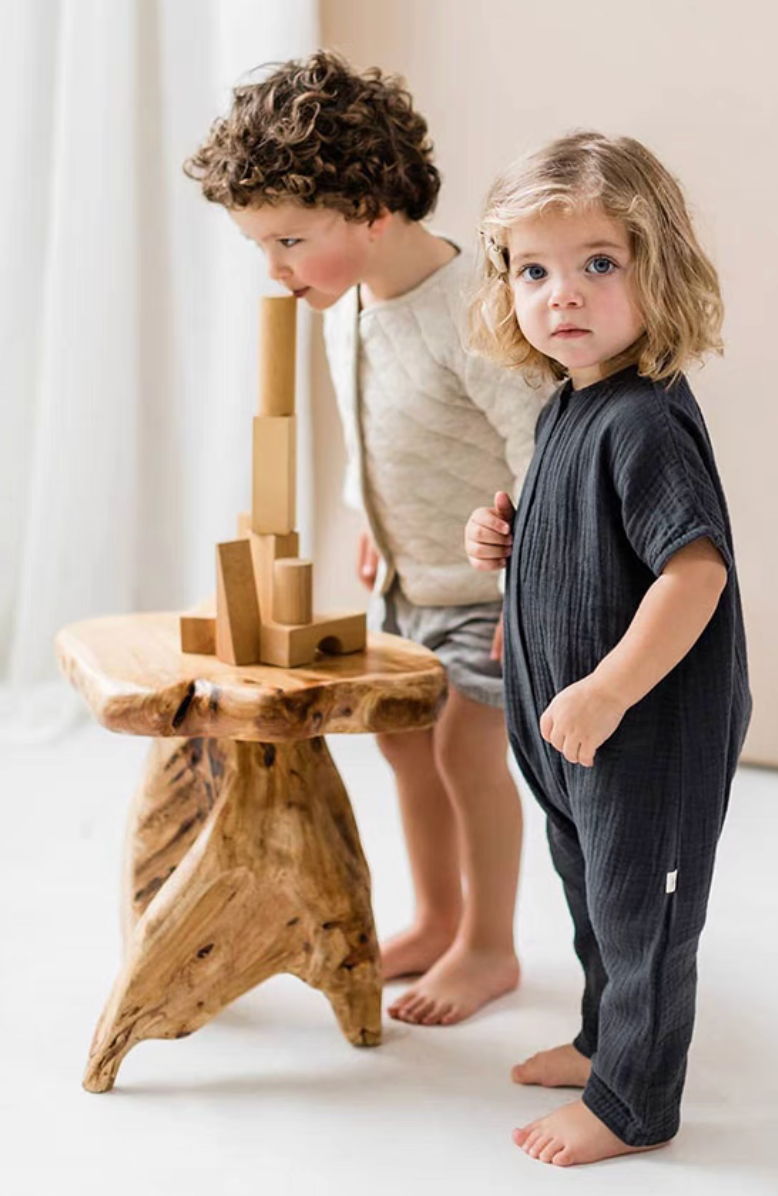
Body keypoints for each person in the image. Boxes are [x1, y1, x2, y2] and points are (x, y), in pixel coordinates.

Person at [186, 50, 547, 1026]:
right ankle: (434, 915)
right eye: (262, 246)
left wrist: (532, 596)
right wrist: (364, 518)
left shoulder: (475, 313)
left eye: (290, 240)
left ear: (372, 208)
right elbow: (373, 422)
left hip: (487, 597)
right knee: (404, 748)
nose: (275, 268)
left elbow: (542, 459)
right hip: (407, 580)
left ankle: (489, 944)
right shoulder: (345, 307)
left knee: (471, 753)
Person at [464, 131, 752, 1166]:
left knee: (644, 912)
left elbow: (693, 572)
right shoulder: (565, 411)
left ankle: (634, 1101)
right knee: (594, 896)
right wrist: (503, 534)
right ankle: (602, 1042)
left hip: (641, 728)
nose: (562, 296)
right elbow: (581, 538)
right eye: (533, 270)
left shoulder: (642, 421)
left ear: (653, 268)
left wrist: (606, 691)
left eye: (597, 264)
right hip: (571, 731)